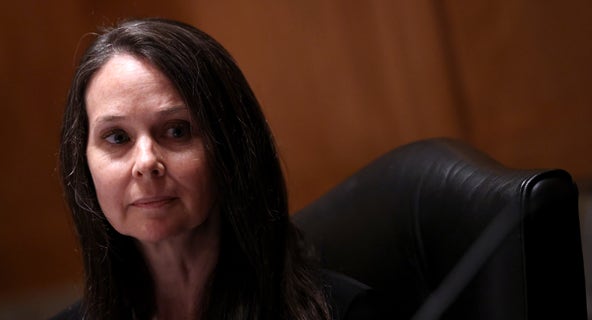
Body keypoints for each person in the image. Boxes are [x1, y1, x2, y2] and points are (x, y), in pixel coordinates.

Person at [54, 18, 379, 320]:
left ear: (231, 148)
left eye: (177, 130)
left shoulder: (344, 311)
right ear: (83, 164)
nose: (146, 162)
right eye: (117, 137)